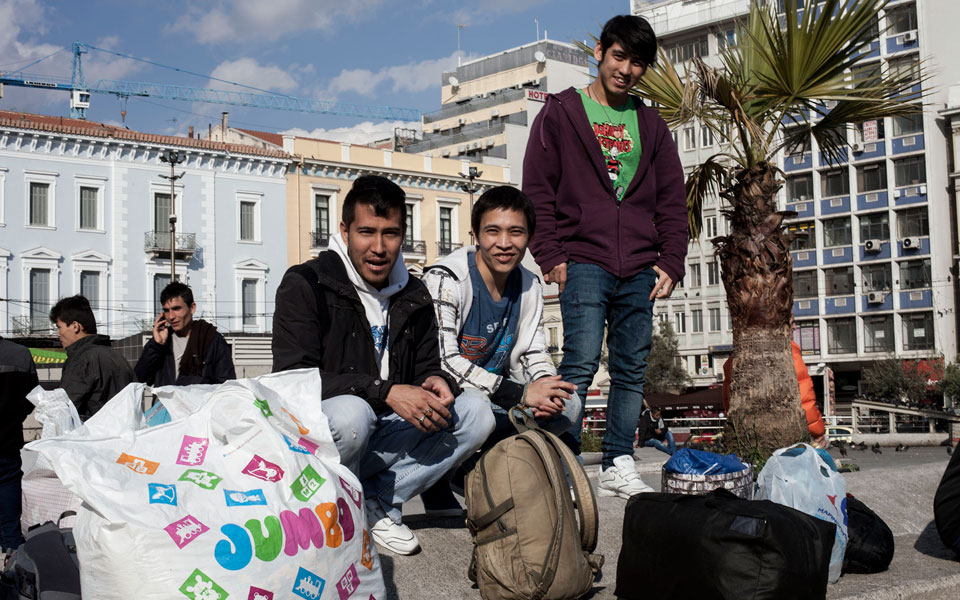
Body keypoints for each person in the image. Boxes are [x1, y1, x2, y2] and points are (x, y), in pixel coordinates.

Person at [272, 175, 494, 556]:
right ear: (343, 231)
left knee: (477, 411)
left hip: (387, 435)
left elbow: (428, 366)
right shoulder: (306, 282)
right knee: (352, 415)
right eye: (366, 232)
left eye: (390, 234)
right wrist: (385, 391)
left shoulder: (413, 291)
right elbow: (293, 381)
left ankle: (375, 501)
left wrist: (437, 382)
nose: (378, 248)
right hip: (327, 436)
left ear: (403, 234)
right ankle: (334, 504)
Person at [522, 14, 688, 499]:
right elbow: (537, 189)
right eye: (619, 57)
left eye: (638, 63)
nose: (626, 70)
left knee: (632, 368)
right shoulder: (562, 113)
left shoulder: (651, 123)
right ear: (599, 52)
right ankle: (566, 464)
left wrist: (672, 260)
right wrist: (550, 253)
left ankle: (618, 461)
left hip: (640, 265)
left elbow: (672, 200)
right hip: (583, 260)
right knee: (579, 362)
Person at [420, 186, 580, 514]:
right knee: (476, 407)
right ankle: (437, 476)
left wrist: (546, 386)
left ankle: (473, 468)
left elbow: (534, 351)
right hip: (449, 398)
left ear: (529, 237)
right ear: (476, 235)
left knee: (570, 406)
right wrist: (522, 394)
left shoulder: (529, 284)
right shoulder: (445, 279)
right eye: (493, 231)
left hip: (497, 398)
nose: (504, 243)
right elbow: (444, 361)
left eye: (516, 232)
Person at [722, 337, 828, 448]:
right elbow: (804, 397)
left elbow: (728, 398)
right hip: (784, 433)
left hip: (745, 435)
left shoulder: (736, 356)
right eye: (791, 322)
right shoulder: (786, 350)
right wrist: (818, 431)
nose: (794, 327)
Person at [50, 295, 136, 420]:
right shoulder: (117, 356)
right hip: (121, 434)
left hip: (91, 436)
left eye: (59, 327)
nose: (58, 334)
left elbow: (65, 409)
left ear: (75, 326)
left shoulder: (82, 358)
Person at [135, 282, 235, 387]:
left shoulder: (211, 340)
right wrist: (156, 346)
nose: (171, 316)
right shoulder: (161, 342)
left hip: (198, 403)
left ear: (192, 308)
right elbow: (139, 380)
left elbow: (227, 385)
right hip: (163, 403)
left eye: (177, 309)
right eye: (166, 311)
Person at [0, 336, 38, 550]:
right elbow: (31, 399)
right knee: (9, 524)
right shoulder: (20, 353)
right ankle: (14, 571)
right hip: (7, 446)